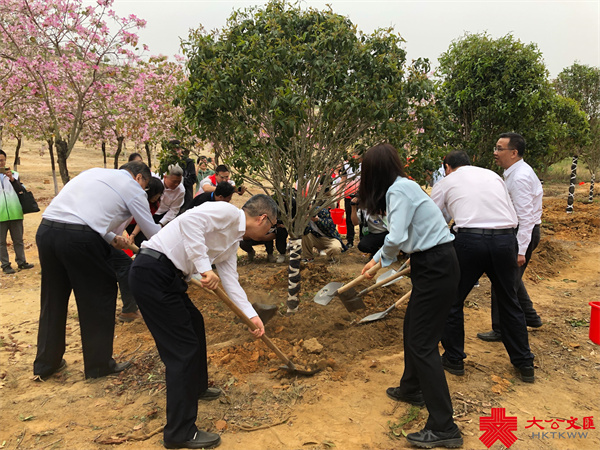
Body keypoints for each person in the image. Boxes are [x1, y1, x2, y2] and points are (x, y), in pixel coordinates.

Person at [128, 195, 274, 449]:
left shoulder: (232, 242)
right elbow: (190, 223)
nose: (268, 232)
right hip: (152, 271)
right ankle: (179, 433)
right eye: (270, 226)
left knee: (195, 324)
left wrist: (251, 316)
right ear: (262, 218)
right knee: (182, 351)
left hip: (168, 277)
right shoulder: (227, 212)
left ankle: (197, 387)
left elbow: (230, 280)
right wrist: (204, 267)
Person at [359, 144, 462, 449]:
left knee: (422, 343)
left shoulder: (398, 191)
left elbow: (397, 237)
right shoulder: (403, 187)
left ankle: (444, 427)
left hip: (436, 266)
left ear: (373, 173)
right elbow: (402, 238)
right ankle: (411, 388)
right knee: (413, 331)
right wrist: (378, 260)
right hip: (432, 263)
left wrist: (380, 261)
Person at [33, 161, 161, 380]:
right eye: (145, 186)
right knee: (98, 296)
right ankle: (99, 365)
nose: (143, 191)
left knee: (52, 298)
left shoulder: (92, 172)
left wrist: (111, 238)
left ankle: (46, 364)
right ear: (140, 178)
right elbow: (152, 232)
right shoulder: (132, 187)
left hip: (47, 230)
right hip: (79, 239)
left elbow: (82, 214)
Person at [431, 150, 535, 384]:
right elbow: (509, 210)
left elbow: (433, 216)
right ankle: (524, 363)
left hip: (470, 241)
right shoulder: (493, 176)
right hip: (506, 239)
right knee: (510, 301)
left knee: (453, 300)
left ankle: (454, 359)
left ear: (446, 166)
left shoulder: (447, 181)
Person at [477, 133, 543, 341]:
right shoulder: (514, 172)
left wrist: (521, 250)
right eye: (495, 148)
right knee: (512, 278)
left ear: (514, 153)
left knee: (502, 282)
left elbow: (526, 217)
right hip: (522, 231)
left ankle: (501, 330)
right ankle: (531, 317)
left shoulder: (520, 177)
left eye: (499, 149)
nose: (495, 153)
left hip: (523, 232)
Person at [0, 150, 35, 274]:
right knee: (1, 242)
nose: (1, 163)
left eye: (3, 160)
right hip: (0, 215)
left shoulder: (14, 174)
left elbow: (21, 191)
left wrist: (12, 179)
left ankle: (22, 262)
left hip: (15, 212)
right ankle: (5, 265)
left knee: (18, 240)